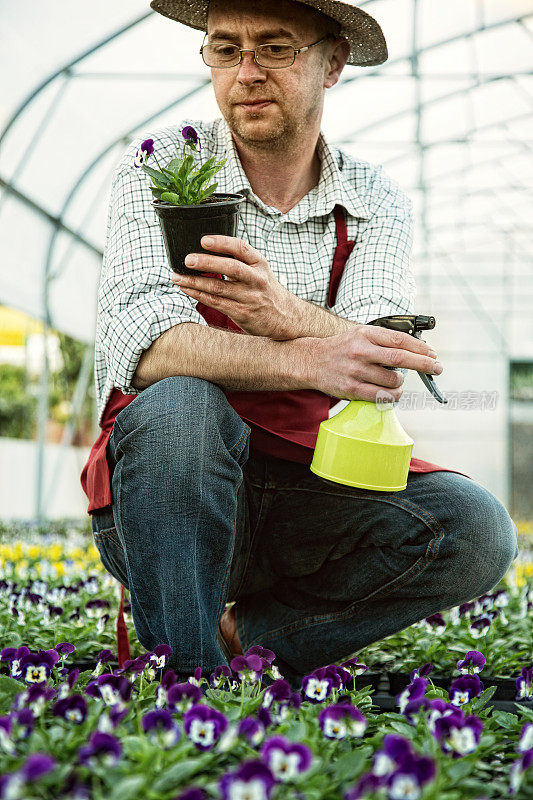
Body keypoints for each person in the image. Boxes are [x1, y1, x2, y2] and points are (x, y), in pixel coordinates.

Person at [81, 0, 518, 688]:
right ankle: (184, 687)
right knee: (180, 405)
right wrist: (313, 352)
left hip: (310, 493)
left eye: (275, 48)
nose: (246, 72)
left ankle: (250, 641)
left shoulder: (373, 198)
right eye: (225, 50)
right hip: (168, 495)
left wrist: (281, 310)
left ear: (332, 62)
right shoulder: (162, 167)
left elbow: (381, 356)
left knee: (474, 532)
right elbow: (144, 344)